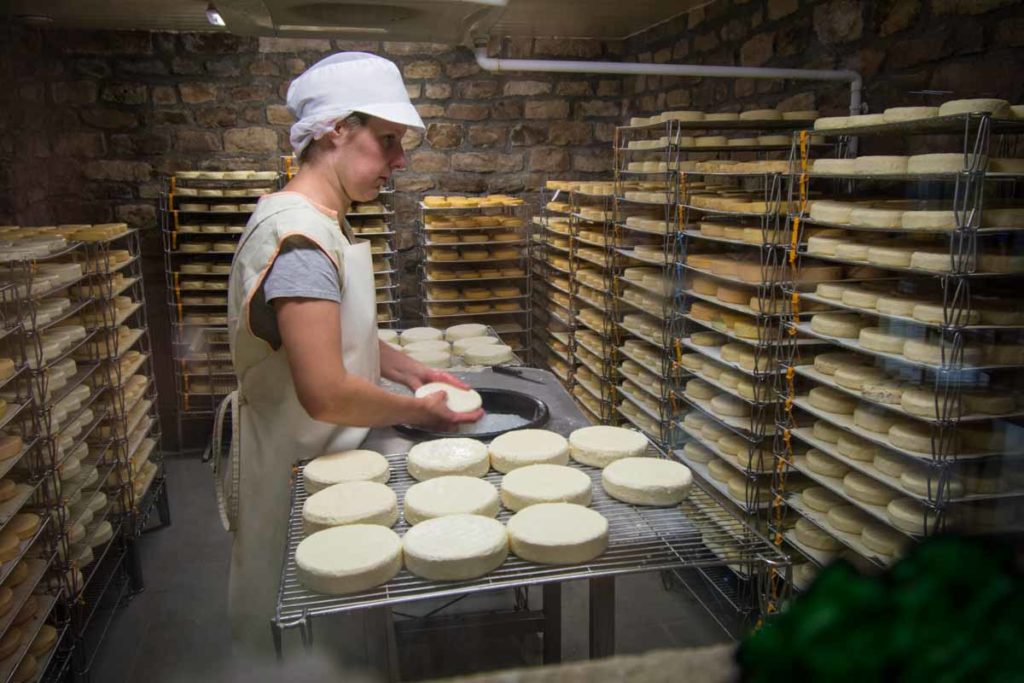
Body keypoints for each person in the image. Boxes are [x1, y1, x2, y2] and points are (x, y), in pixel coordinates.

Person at [216, 52, 482, 652]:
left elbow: (338, 334)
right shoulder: (302, 242)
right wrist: (423, 411)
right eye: (387, 140)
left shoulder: (321, 225)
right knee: (314, 640)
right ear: (338, 130)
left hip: (325, 458)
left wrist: (411, 368)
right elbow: (326, 390)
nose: (399, 161)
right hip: (299, 471)